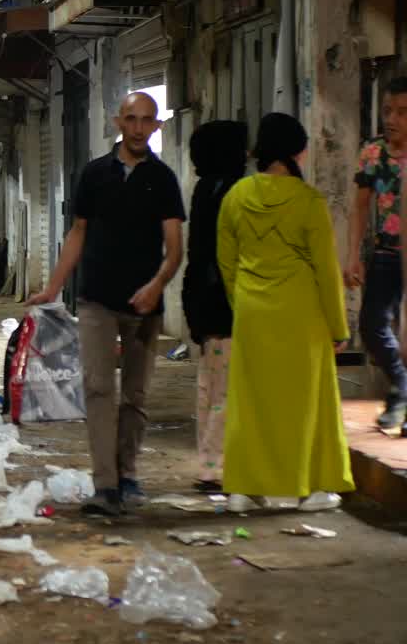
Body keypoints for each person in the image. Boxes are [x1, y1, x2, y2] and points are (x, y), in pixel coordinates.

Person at [28, 92, 185, 517]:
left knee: (134, 396)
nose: (137, 127)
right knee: (98, 389)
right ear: (118, 122)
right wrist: (53, 286)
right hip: (96, 299)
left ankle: (128, 472)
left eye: (146, 121)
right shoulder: (95, 174)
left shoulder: (164, 179)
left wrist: (157, 285)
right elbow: (77, 232)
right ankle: (106, 486)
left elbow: (174, 248)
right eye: (131, 119)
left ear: (156, 126)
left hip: (143, 306)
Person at [217, 112, 354, 512]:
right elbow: (326, 271)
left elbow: (227, 263)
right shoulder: (308, 201)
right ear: (297, 151)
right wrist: (338, 325)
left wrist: (242, 302)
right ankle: (309, 491)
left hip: (252, 311)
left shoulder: (236, 197)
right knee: (308, 402)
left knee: (250, 403)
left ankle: (243, 489)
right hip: (302, 315)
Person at [181, 120, 249, 494]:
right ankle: (214, 468)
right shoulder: (235, 190)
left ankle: (209, 461)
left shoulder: (204, 188)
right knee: (223, 389)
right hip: (225, 301)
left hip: (203, 301)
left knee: (209, 384)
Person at [346, 77, 407, 433]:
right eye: (387, 111)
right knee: (371, 326)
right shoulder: (373, 153)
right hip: (385, 254)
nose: (392, 118)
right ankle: (402, 388)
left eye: (402, 112)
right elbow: (359, 208)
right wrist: (352, 255)